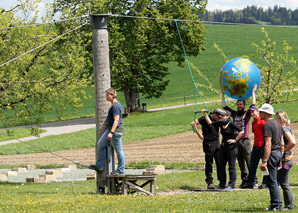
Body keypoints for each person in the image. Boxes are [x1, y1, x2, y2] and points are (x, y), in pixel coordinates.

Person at [222, 90, 255, 185]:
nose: (239, 106)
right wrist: (223, 94)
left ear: (244, 105)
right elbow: (224, 106)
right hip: (236, 140)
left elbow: (253, 104)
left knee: (249, 160)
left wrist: (252, 92)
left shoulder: (247, 113)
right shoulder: (234, 114)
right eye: (238, 104)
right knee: (240, 161)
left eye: (241, 104)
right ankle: (244, 180)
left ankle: (253, 179)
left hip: (245, 140)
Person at [204, 110, 244, 190]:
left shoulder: (231, 124)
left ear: (227, 116)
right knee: (221, 166)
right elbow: (210, 123)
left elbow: (241, 131)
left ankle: (231, 184)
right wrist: (205, 114)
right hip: (223, 147)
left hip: (231, 148)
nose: (221, 116)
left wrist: (235, 140)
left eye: (223, 115)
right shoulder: (221, 123)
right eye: (220, 115)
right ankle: (222, 184)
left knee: (231, 167)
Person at [90, 88, 125, 175]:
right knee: (100, 144)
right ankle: (100, 166)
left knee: (119, 150)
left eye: (108, 95)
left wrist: (111, 133)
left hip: (115, 131)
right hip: (111, 130)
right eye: (106, 95)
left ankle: (121, 170)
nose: (106, 97)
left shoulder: (116, 106)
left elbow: (116, 120)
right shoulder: (114, 104)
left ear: (113, 95)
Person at [240, 84, 267, 189]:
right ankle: (250, 182)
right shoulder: (253, 123)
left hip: (263, 146)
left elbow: (267, 135)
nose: (252, 113)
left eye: (254, 111)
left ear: (258, 111)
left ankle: (265, 182)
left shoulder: (263, 121)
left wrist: (253, 92)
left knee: (264, 165)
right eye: (251, 112)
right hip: (255, 146)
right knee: (252, 165)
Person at [191, 108, 225, 189]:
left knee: (220, 162)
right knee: (209, 163)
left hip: (217, 142)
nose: (220, 118)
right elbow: (193, 123)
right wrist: (199, 135)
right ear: (214, 114)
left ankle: (222, 181)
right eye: (219, 116)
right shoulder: (204, 118)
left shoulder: (217, 120)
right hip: (208, 143)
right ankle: (210, 182)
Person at [259, 103, 284, 211]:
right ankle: (275, 204)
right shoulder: (278, 124)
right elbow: (282, 143)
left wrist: (265, 160)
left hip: (272, 153)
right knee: (273, 180)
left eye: (261, 112)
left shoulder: (267, 125)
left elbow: (268, 143)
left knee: (272, 181)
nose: (259, 113)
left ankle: (277, 205)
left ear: (265, 113)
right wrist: (280, 158)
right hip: (278, 153)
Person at [275, 111, 296, 210]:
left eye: (275, 118)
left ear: (280, 119)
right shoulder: (287, 128)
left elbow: (293, 142)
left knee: (284, 183)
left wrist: (284, 151)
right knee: (281, 181)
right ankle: (283, 204)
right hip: (287, 158)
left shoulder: (284, 129)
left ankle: (289, 205)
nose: (275, 120)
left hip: (285, 159)